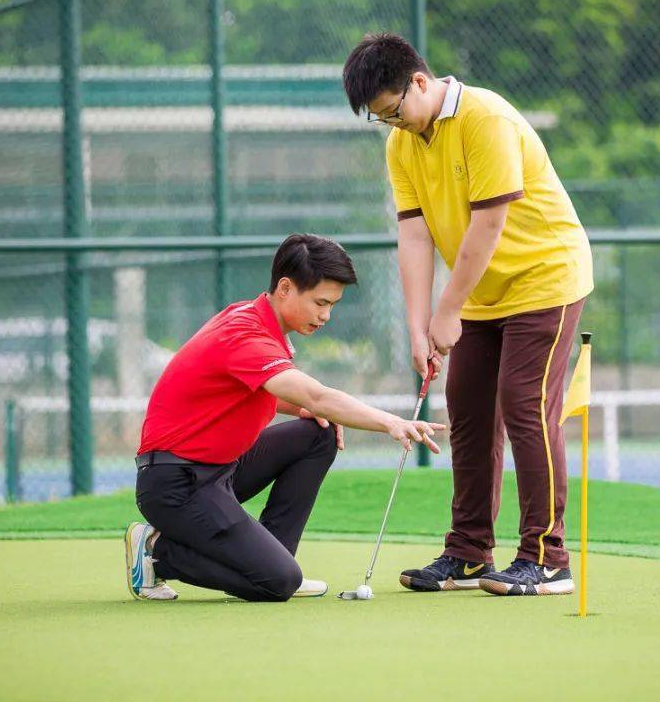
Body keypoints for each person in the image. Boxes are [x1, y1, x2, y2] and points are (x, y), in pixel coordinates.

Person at [343, 33, 593, 596]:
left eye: (393, 110)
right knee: (469, 406)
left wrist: (447, 311)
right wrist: (417, 324)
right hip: (480, 290)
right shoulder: (401, 145)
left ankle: (547, 558)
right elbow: (413, 234)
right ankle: (471, 552)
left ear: (420, 83)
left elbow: (488, 224)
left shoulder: (486, 118)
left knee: (523, 402)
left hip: (544, 277)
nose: (392, 124)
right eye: (380, 119)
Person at [125, 233, 444, 602]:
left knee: (317, 434)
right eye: (320, 303)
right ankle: (156, 553)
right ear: (286, 288)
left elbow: (251, 393)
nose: (326, 316)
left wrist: (305, 410)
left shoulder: (262, 323)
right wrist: (391, 422)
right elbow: (316, 394)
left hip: (218, 470)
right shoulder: (244, 332)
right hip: (175, 485)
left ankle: (271, 561)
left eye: (333, 305)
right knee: (277, 583)